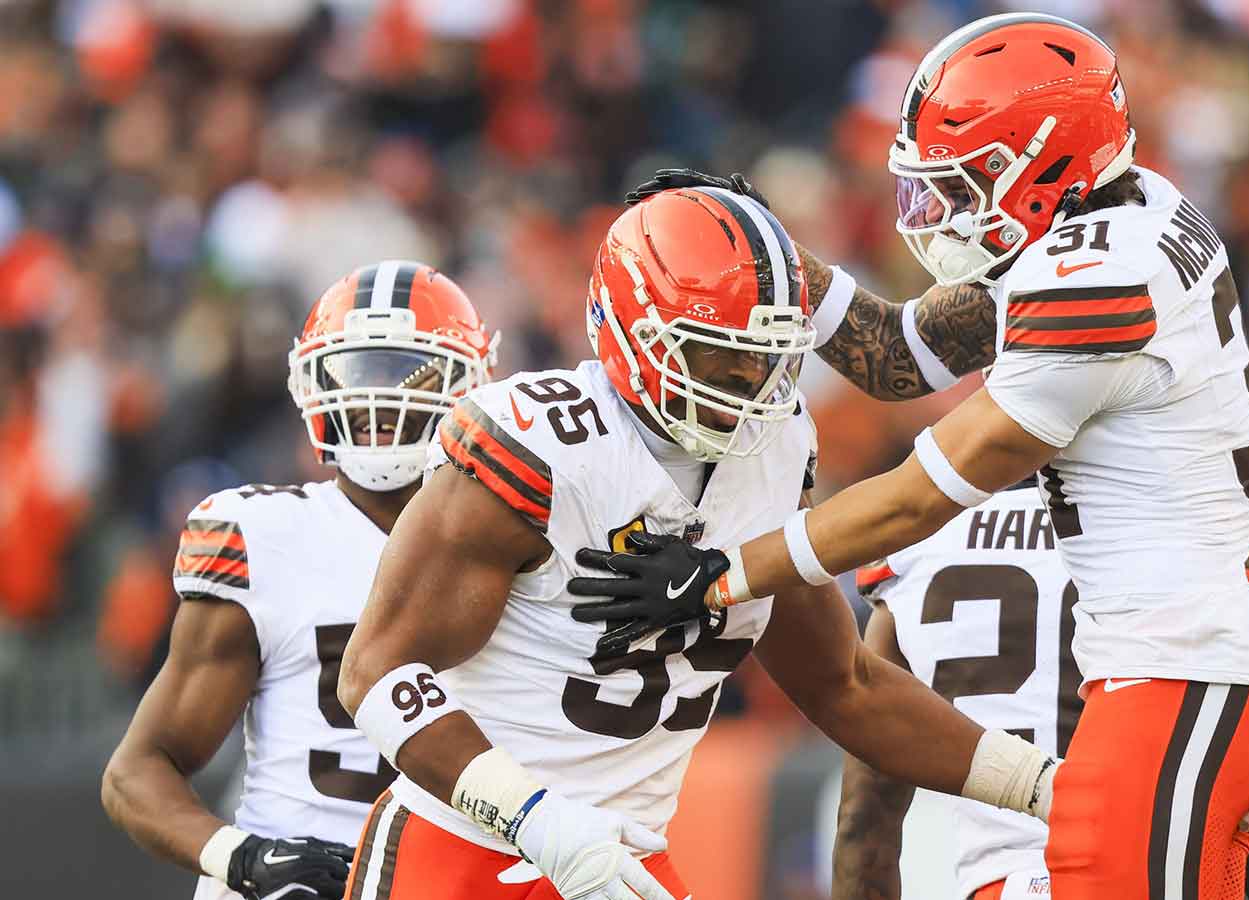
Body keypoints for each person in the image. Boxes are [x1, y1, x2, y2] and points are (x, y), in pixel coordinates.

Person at [570, 14, 1249, 900]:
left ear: (1047, 163)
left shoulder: (1098, 280)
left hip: (1187, 665)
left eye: (968, 183)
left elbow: (916, 500)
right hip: (1178, 665)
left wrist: (717, 577)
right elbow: (899, 355)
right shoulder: (1123, 212)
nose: (946, 211)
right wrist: (767, 243)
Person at [333, 188, 1068, 900]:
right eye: (724, 356)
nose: (754, 382)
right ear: (633, 333)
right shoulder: (541, 446)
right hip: (464, 856)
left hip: (628, 859)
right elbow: (374, 675)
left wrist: (1045, 788)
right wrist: (539, 820)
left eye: (769, 355)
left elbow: (846, 685)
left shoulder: (774, 453)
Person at [102, 262, 498, 900]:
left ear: (473, 388)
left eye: (407, 373)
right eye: (356, 374)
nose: (378, 401)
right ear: (310, 383)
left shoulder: (521, 542)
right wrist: (244, 858)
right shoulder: (266, 536)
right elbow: (137, 769)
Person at [832, 487, 1249, 900]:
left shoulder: (919, 540)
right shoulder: (1202, 530)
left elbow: (864, 823)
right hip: (1153, 876)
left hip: (1004, 882)